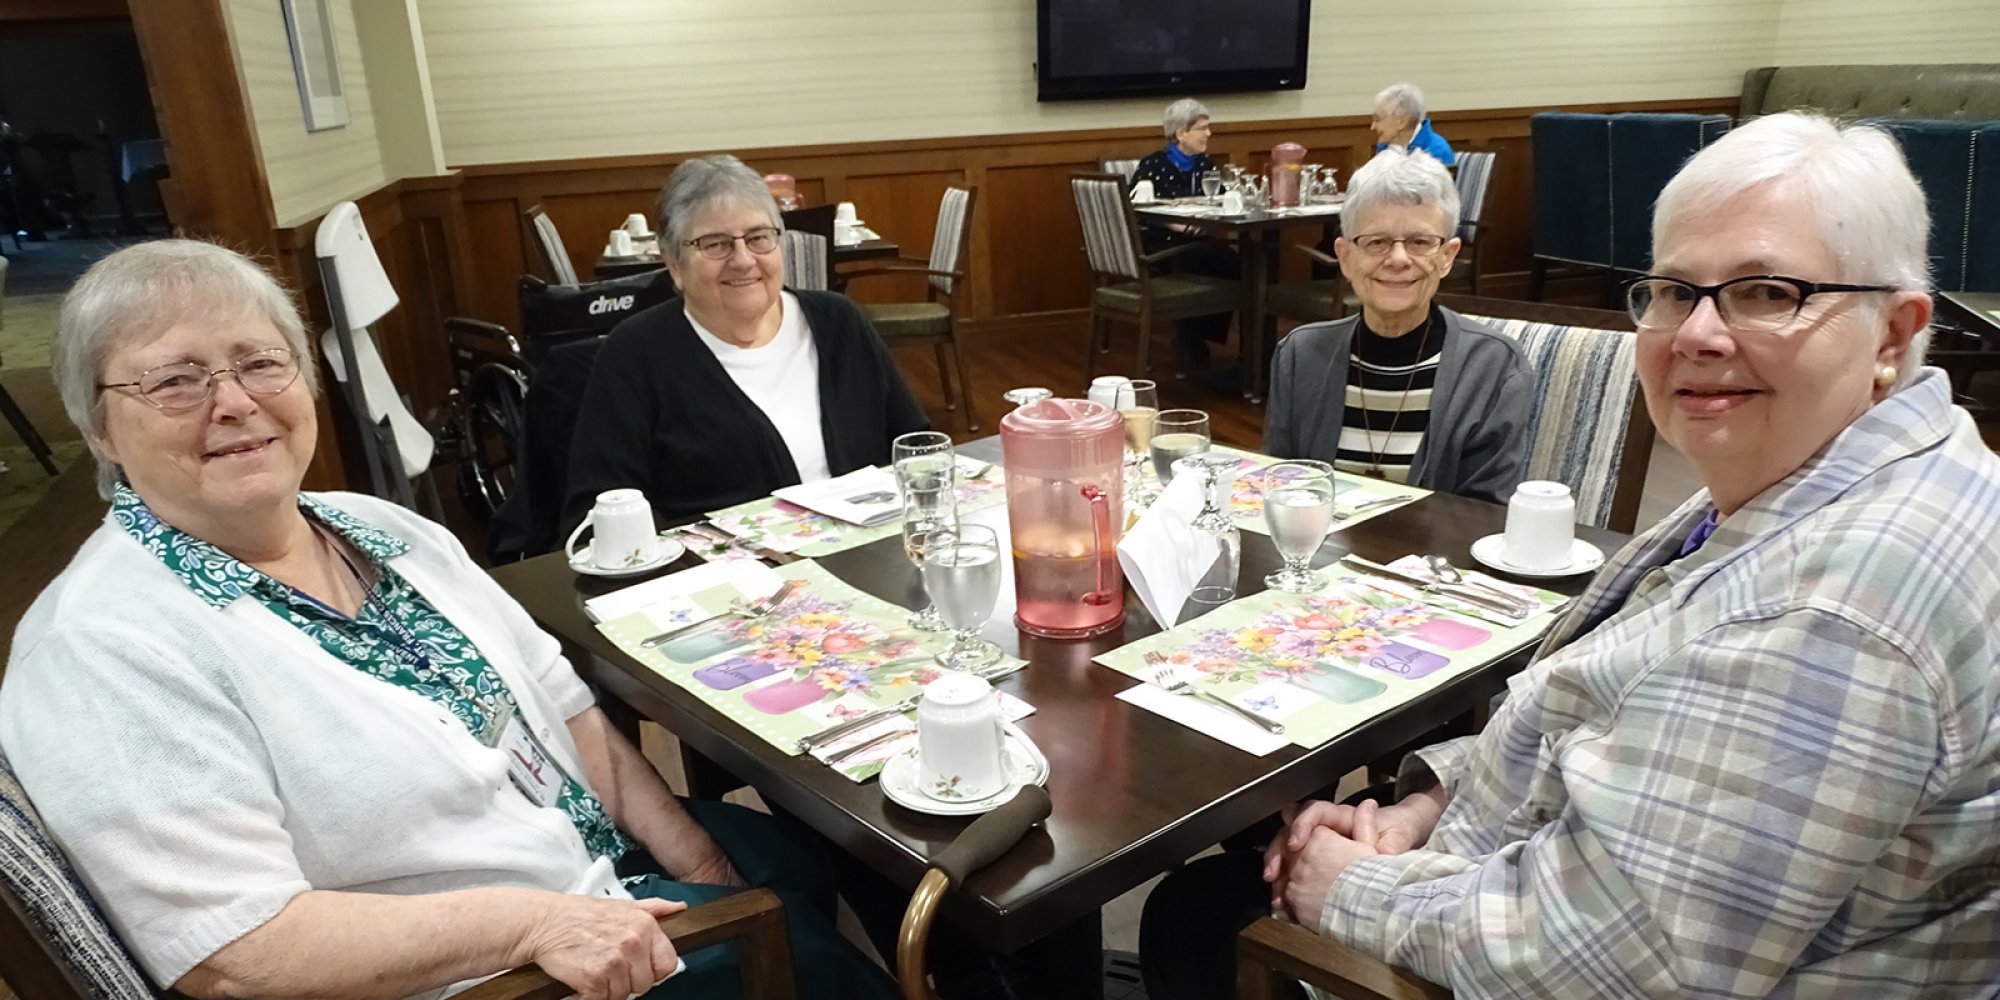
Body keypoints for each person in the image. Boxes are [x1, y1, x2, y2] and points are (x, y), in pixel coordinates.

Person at [1144, 111, 2000, 998]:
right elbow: (1603, 723)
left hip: (1546, 945)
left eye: (1767, 292)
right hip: (1523, 858)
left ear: (1893, 335)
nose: (1700, 334)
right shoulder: (1822, 476)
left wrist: (1348, 887)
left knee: (1199, 915)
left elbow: (1611, 964)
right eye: (1674, 290)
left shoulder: (1834, 618)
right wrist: (1425, 807)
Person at [0, 239, 898, 1000]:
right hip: (494, 973)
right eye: (174, 380)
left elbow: (566, 707)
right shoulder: (102, 648)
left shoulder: (379, 528)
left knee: (803, 857)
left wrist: (696, 863)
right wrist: (545, 922)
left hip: (582, 861)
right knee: (819, 951)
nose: (233, 401)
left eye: (260, 361)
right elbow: (235, 951)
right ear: (101, 429)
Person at [563, 154, 928, 531]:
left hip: (865, 556)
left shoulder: (840, 322)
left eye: (758, 238)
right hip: (718, 578)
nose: (743, 260)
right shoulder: (634, 354)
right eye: (715, 244)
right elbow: (597, 512)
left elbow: (917, 449)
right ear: (674, 263)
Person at [1264, 147, 1530, 503]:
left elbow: (1486, 514)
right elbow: (1280, 488)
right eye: (1376, 242)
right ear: (1345, 257)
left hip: (1440, 557)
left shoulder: (1494, 367)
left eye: (1421, 242)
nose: (1399, 259)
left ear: (1448, 256)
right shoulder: (1300, 355)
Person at [1128, 98, 1242, 374]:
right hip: (1161, 245)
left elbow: (1220, 199)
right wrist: (1172, 225)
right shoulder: (1153, 165)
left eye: (1208, 127)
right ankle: (1192, 340)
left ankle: (1198, 337)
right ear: (1181, 134)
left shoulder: (1205, 164)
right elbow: (1134, 209)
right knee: (1212, 262)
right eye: (1202, 128)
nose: (1208, 134)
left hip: (1199, 241)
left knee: (1237, 264)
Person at [1370, 82, 1455, 167]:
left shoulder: (1436, 151)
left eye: (1377, 119)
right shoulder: (1384, 147)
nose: (1372, 127)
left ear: (1402, 122)